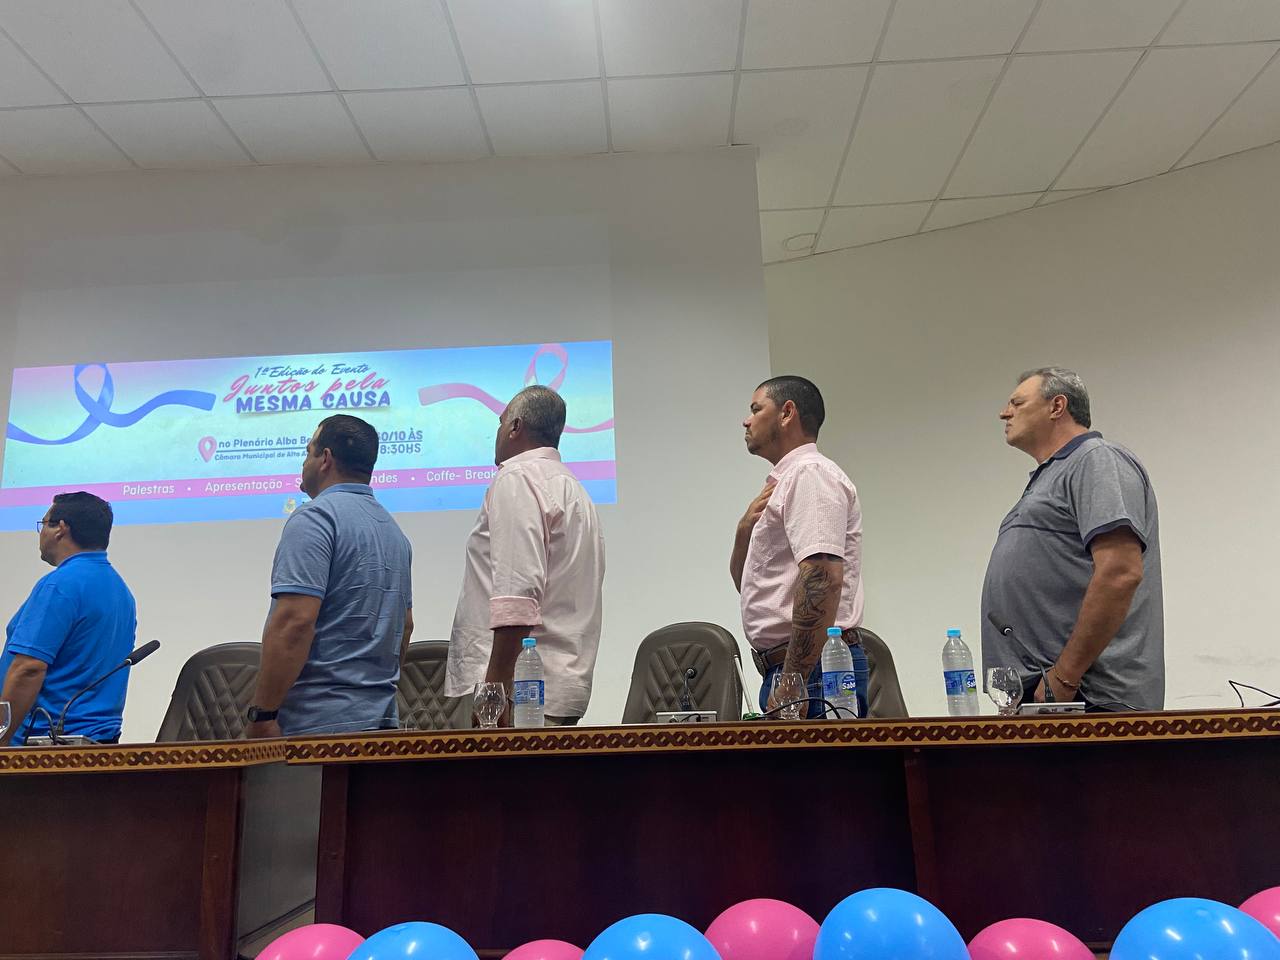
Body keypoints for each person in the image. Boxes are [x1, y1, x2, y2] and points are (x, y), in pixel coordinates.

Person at [981, 367, 1163, 712]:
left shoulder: (1096, 459)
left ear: (1057, 406)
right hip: (1053, 696)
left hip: (1090, 698)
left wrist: (1064, 676)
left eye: (1017, 403)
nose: (1004, 413)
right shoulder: (1053, 475)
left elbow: (1120, 572)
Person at [245, 415, 413, 738]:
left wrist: (263, 714)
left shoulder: (315, 519)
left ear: (325, 459)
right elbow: (405, 626)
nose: (303, 463)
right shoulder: (395, 534)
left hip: (315, 729)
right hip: (381, 725)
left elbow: (295, 621)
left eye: (307, 452)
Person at [447, 385, 605, 726]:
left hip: (521, 693)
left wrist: (495, 690)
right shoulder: (573, 488)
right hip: (557, 685)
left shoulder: (517, 477)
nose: (498, 433)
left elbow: (517, 593)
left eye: (501, 423)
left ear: (515, 427)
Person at [731, 376, 864, 718]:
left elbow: (822, 578)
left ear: (787, 412)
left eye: (756, 409)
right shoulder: (786, 481)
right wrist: (743, 531)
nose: (746, 420)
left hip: (812, 672)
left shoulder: (810, 474)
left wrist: (793, 681)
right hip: (797, 670)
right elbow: (748, 587)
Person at [0, 492, 136, 745]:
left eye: (43, 524)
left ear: (60, 529)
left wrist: (2, 737)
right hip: (97, 743)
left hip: (46, 746)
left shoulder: (61, 585)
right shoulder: (120, 590)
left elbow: (29, 668)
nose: (40, 533)